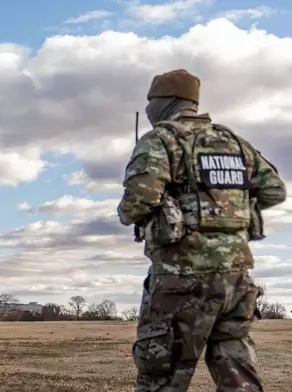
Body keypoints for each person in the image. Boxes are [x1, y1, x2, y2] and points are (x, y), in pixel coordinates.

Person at [117, 68, 287, 391]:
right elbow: (274, 189)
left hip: (181, 280)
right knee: (238, 376)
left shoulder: (160, 140)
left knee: (161, 377)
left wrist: (165, 209)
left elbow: (137, 202)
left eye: (151, 100)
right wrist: (227, 209)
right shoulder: (233, 143)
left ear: (164, 102)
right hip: (235, 281)